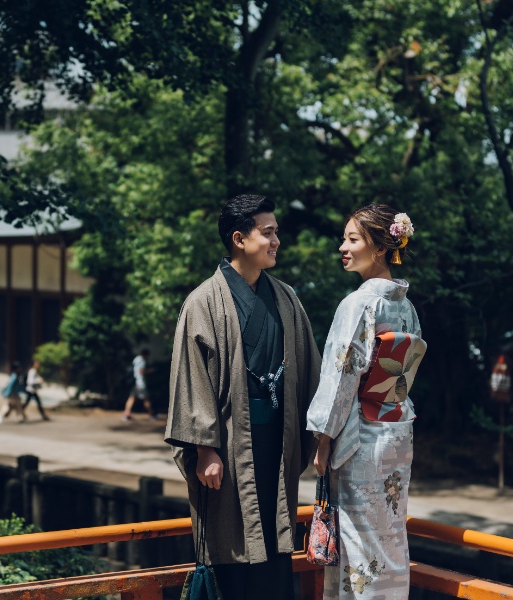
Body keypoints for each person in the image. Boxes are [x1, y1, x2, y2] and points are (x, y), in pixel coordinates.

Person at [165, 194, 322, 600]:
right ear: (239, 238)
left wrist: (321, 432)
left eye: (276, 233)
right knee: (231, 548)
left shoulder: (286, 297)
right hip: (228, 449)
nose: (276, 241)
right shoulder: (203, 301)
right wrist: (203, 449)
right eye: (267, 233)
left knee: (275, 542)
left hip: (278, 443)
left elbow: (311, 369)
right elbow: (191, 376)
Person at [307, 204, 427, 600]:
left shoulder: (358, 304)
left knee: (360, 543)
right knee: (389, 538)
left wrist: (324, 440)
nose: (343, 246)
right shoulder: (404, 306)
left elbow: (342, 376)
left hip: (361, 437)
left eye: (353, 239)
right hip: (396, 434)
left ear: (379, 247)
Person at [122, 349, 156, 421]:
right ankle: (151, 414)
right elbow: (141, 372)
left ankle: (126, 414)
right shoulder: (142, 361)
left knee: (131, 398)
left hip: (134, 382)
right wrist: (150, 371)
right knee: (146, 399)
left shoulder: (136, 359)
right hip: (140, 383)